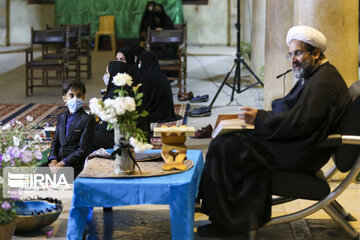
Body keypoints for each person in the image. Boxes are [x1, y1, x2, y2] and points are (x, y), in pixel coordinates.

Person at [197, 25, 352, 237]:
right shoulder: (318, 74)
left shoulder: (324, 83)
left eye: (298, 53)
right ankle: (227, 217)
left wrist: (260, 119)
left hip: (300, 153)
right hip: (300, 145)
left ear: (316, 53)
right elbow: (291, 108)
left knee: (226, 147)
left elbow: (300, 123)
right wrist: (260, 118)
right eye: (291, 54)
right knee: (229, 140)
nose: (293, 59)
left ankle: (231, 223)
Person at [92, 61, 150, 151]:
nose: (105, 76)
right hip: (132, 139)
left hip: (120, 139)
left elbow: (109, 128)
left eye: (107, 73)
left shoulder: (117, 96)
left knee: (87, 136)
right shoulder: (129, 91)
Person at [47, 81, 95, 178]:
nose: (75, 98)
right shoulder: (61, 117)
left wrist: (62, 163)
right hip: (58, 161)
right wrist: (53, 160)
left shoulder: (87, 120)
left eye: (79, 95)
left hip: (75, 165)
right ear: (64, 98)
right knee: (36, 173)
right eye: (71, 95)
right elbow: (55, 142)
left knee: (59, 178)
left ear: (83, 97)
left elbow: (82, 150)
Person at [138, 50, 181, 123]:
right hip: (166, 113)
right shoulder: (161, 75)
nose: (139, 64)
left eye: (140, 62)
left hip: (153, 114)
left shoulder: (145, 78)